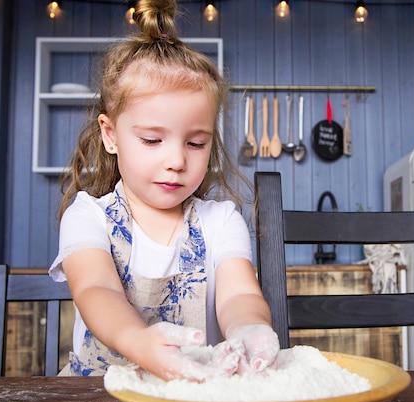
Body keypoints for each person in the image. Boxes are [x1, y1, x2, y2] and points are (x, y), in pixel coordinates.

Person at [48, 0, 279, 381]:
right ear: (111, 134)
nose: (176, 160)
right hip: (96, 393)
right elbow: (96, 288)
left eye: (196, 143)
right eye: (153, 140)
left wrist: (250, 327)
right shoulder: (88, 215)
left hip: (191, 392)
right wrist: (139, 342)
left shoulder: (220, 221)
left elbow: (240, 297)